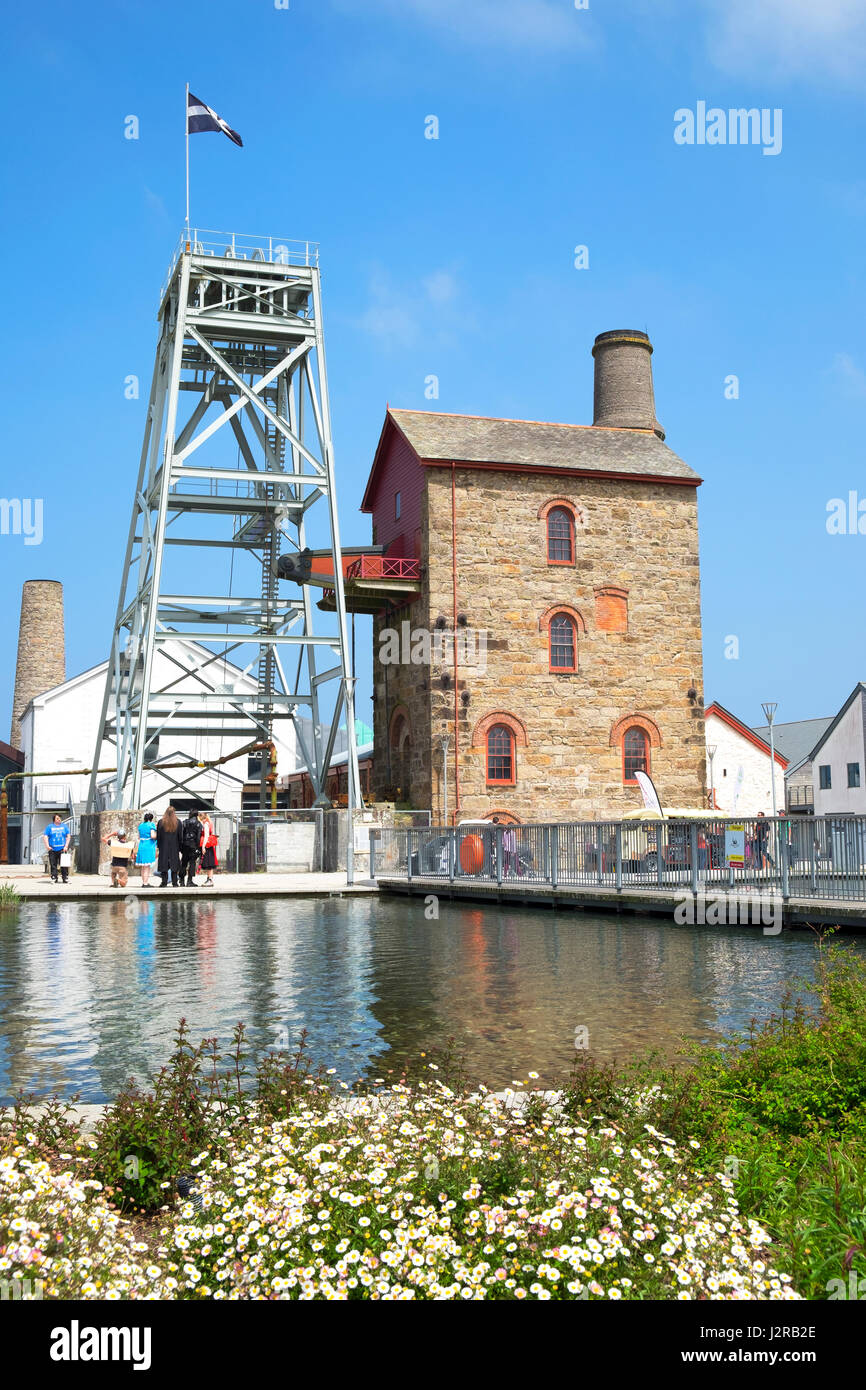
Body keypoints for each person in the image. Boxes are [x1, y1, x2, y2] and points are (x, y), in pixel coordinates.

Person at [156, 805, 181, 887]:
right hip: (175, 846)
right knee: (174, 864)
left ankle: (164, 882)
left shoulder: (161, 822)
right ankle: (175, 882)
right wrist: (179, 847)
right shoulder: (178, 822)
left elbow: (158, 836)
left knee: (164, 865)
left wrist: (159, 846)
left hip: (164, 846)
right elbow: (180, 836)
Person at [43, 813, 71, 884]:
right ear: (54, 820)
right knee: (53, 864)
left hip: (62, 848)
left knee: (64, 864)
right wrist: (47, 846)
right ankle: (54, 877)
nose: (59, 819)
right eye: (57, 818)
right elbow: (45, 836)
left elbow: (68, 836)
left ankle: (65, 877)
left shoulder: (64, 827)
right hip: (52, 849)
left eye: (60, 818)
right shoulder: (50, 827)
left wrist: (66, 846)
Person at [180, 810, 204, 887]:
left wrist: (182, 845)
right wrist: (197, 847)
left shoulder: (184, 822)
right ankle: (189, 881)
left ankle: (182, 881)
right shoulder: (198, 824)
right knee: (192, 863)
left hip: (185, 845)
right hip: (193, 845)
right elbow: (198, 837)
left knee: (184, 863)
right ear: (197, 815)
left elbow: (182, 834)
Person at [135, 811, 157, 886]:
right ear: (151, 819)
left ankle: (144, 882)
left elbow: (139, 837)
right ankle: (145, 883)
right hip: (148, 846)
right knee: (147, 867)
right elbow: (152, 836)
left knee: (143, 866)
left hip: (141, 845)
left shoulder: (141, 825)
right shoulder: (151, 825)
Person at [199, 812, 218, 886]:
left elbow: (206, 836)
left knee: (209, 863)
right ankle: (209, 879)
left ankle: (210, 879)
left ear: (202, 818)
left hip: (207, 846)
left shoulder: (206, 824)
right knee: (210, 863)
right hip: (210, 846)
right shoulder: (210, 823)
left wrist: (203, 846)